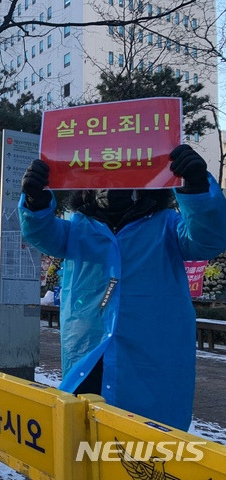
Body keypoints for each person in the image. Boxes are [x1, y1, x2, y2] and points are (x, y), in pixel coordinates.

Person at [19, 144, 226, 431]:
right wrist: (35, 201)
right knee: (85, 447)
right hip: (88, 355)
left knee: (148, 455)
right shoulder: (79, 228)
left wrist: (196, 188)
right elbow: (42, 232)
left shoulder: (167, 226)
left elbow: (208, 238)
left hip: (152, 363)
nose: (112, 186)